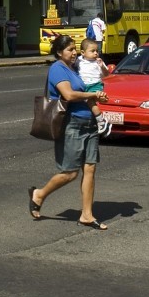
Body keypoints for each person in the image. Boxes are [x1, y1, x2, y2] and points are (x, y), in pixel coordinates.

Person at [29, 35, 109, 230]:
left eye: (75, 49)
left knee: (90, 169)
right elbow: (69, 95)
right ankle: (39, 194)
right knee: (70, 173)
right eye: (70, 49)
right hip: (72, 124)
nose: (74, 53)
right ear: (59, 52)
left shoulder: (75, 67)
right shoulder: (58, 69)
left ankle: (87, 215)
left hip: (89, 123)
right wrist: (94, 94)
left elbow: (90, 84)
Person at [77, 38, 111, 136]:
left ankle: (101, 120)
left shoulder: (98, 62)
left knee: (90, 101)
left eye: (97, 51)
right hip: (84, 86)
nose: (96, 53)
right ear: (83, 52)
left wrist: (102, 66)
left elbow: (107, 74)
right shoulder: (79, 61)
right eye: (92, 51)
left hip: (95, 85)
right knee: (85, 101)